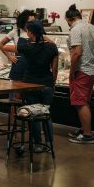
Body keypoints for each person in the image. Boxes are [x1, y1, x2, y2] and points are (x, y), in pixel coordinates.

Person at [17, 21, 58, 149]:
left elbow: (9, 45)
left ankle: (37, 144)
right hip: (47, 83)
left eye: (28, 31)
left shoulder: (27, 46)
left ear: (31, 33)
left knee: (33, 114)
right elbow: (54, 69)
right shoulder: (52, 47)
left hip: (30, 84)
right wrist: (53, 83)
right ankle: (49, 143)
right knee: (46, 113)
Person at [64, 4, 94, 144]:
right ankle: (84, 128)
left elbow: (77, 52)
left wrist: (72, 72)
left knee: (80, 103)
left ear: (69, 19)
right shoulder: (93, 27)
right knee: (84, 101)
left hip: (82, 71)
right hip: (92, 70)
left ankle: (87, 135)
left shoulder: (75, 30)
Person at [0, 9, 36, 81]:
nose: (33, 24)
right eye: (30, 22)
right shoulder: (15, 32)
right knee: (15, 89)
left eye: (34, 22)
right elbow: (0, 44)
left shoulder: (35, 32)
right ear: (23, 21)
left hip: (32, 67)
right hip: (18, 66)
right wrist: (9, 56)